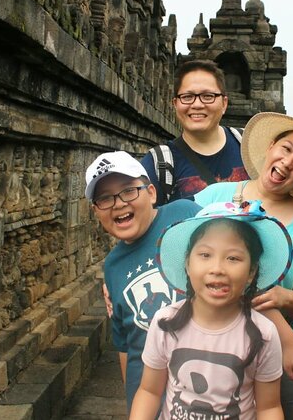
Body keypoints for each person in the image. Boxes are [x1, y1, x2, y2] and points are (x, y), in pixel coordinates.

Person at [194, 112, 293, 419]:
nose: (289, 162)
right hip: (207, 342)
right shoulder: (214, 197)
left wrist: (284, 297)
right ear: (271, 147)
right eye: (287, 149)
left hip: (273, 346)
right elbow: (169, 240)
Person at [130, 200, 293, 419]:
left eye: (233, 258)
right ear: (187, 263)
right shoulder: (165, 323)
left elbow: (268, 407)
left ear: (252, 271)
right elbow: (149, 392)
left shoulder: (263, 334)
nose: (217, 269)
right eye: (205, 255)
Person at [84, 151, 201, 415]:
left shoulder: (186, 215)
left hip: (209, 387)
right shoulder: (113, 266)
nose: (118, 203)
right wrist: (135, 402)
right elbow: (125, 343)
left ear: (151, 193)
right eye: (104, 198)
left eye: (128, 191)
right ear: (95, 211)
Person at [140, 59, 248, 205]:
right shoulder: (158, 164)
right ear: (175, 104)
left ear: (224, 103)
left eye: (208, 96)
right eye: (187, 97)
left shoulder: (249, 145)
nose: (197, 104)